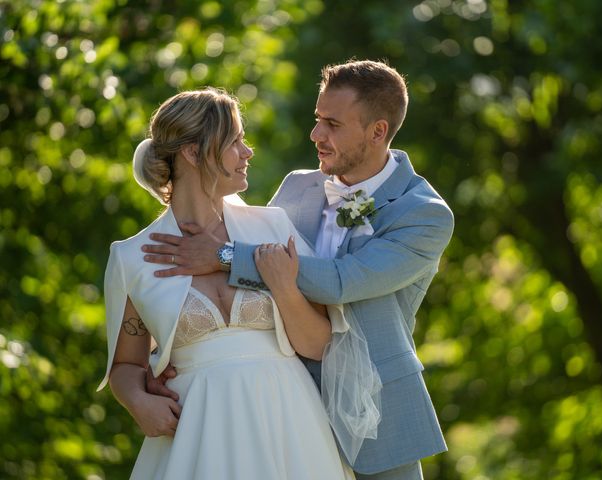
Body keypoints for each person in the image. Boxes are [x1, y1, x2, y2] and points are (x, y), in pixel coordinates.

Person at [144, 60, 455, 479]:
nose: (316, 135)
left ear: (377, 131)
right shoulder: (297, 186)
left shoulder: (425, 215)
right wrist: (167, 362)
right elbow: (255, 287)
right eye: (316, 119)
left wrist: (225, 257)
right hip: (282, 405)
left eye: (332, 124)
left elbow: (341, 281)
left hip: (374, 413)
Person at [98, 87, 359, 479]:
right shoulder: (134, 257)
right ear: (193, 152)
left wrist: (282, 286)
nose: (247, 152)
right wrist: (138, 400)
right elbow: (125, 364)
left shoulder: (273, 228)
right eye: (235, 140)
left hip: (288, 423)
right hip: (195, 432)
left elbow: (320, 344)